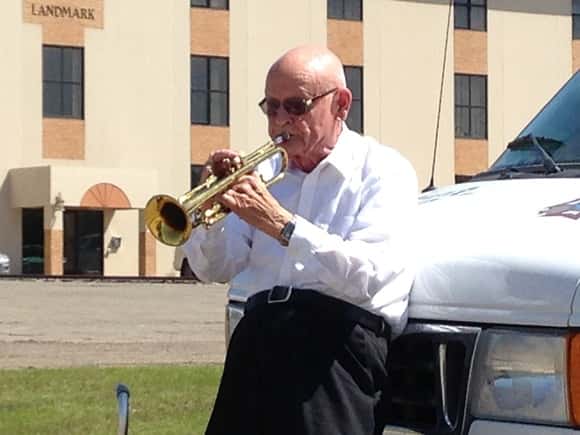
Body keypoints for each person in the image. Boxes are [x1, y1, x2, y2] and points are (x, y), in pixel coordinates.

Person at [182, 45, 418, 435]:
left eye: (296, 106)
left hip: (336, 347)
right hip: (258, 337)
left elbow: (371, 274)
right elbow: (214, 268)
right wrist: (210, 213)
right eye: (270, 108)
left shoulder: (383, 170)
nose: (280, 122)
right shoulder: (265, 173)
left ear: (341, 104)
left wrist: (283, 226)